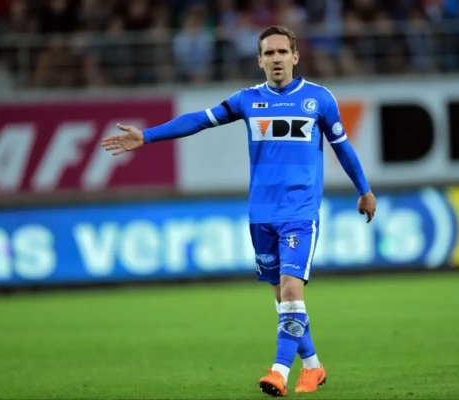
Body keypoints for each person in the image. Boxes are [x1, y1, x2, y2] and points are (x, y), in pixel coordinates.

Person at [101, 25, 376, 397]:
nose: (276, 58)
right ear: (259, 60)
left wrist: (364, 190)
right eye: (269, 53)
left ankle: (279, 372)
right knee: (283, 298)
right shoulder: (248, 100)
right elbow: (198, 119)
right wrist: (147, 136)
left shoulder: (318, 99)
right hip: (261, 214)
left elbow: (343, 147)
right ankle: (313, 367)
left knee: (292, 290)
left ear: (295, 56)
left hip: (300, 211)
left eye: (282, 52)